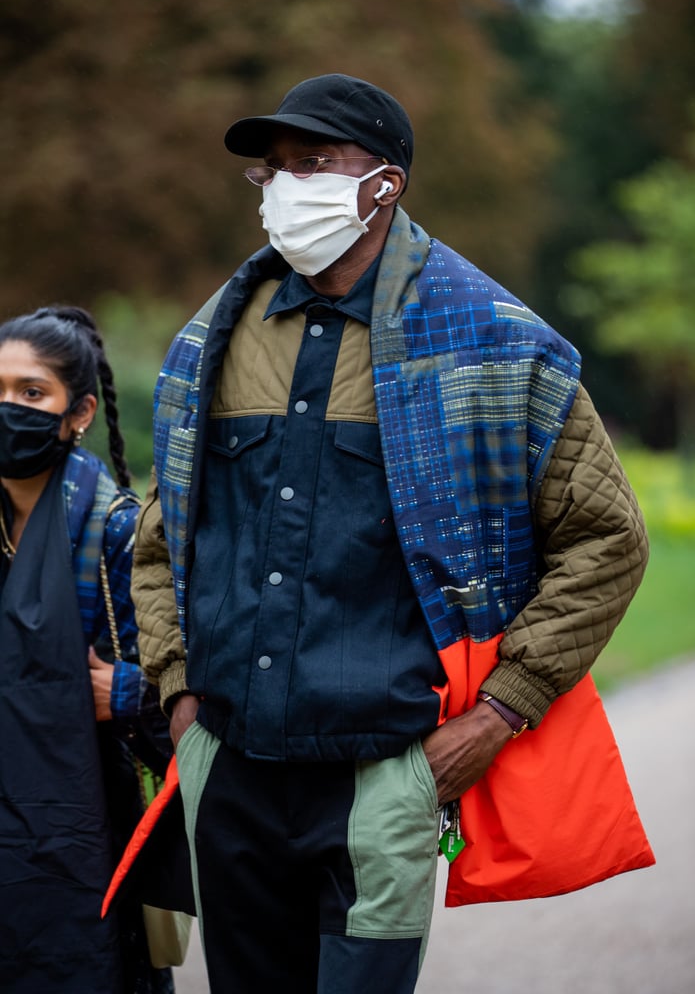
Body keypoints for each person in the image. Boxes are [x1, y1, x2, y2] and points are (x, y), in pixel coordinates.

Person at [132, 74, 650, 994]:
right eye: (273, 169)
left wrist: (500, 712)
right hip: (230, 764)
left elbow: (605, 539)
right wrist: (179, 696)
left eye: (315, 162)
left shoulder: (495, 342)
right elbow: (165, 536)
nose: (287, 186)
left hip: (386, 773)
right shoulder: (211, 339)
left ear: (385, 183)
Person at [0, 306, 174, 993]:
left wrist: (127, 692)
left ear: (79, 412)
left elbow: (190, 683)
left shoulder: (117, 533)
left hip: (84, 822)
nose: (8, 408)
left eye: (30, 392)